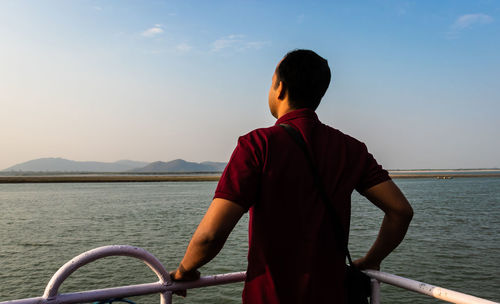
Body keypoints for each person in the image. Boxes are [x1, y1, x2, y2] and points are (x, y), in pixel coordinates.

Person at [170, 49, 413, 303]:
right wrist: (371, 260)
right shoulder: (350, 148)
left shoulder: (257, 145)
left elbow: (210, 236)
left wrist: (184, 270)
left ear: (280, 88)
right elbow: (400, 211)